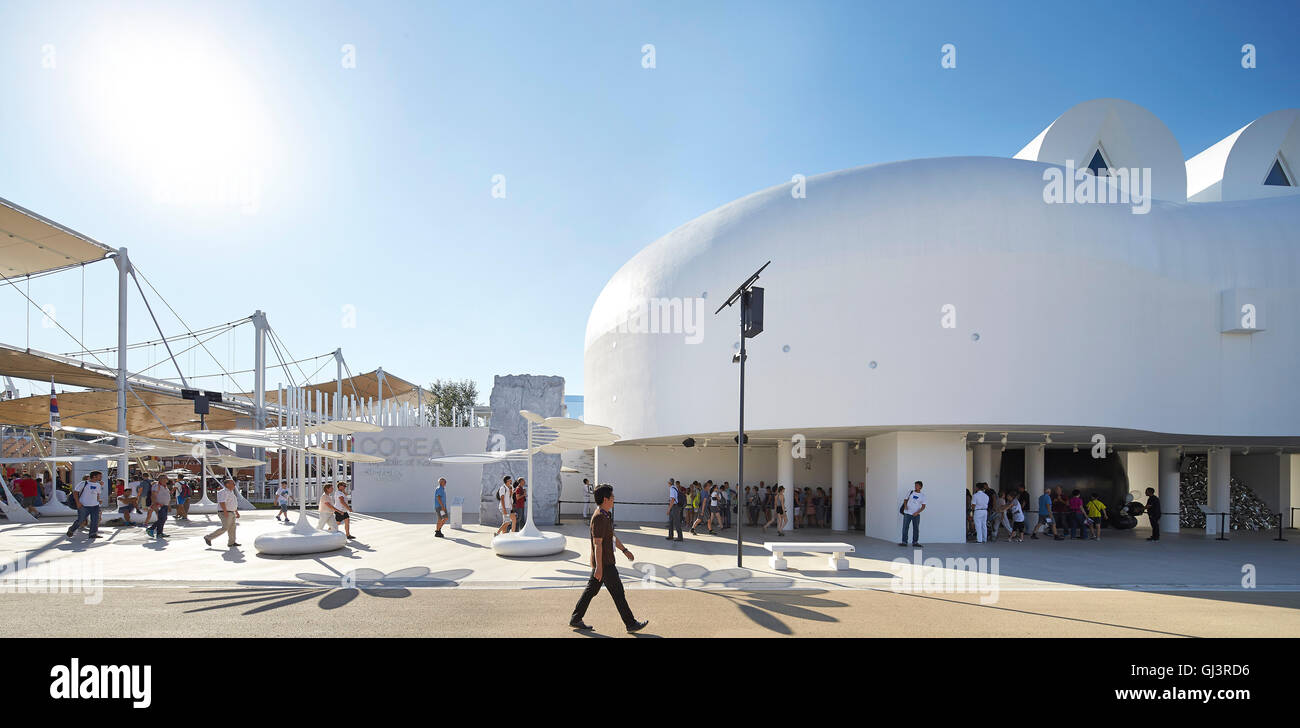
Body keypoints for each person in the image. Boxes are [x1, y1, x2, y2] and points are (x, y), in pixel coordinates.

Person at [568, 484, 648, 633]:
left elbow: (611, 536)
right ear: (605, 499)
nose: (614, 500)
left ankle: (576, 618)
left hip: (603, 563)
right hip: (605, 564)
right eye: (612, 497)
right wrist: (599, 567)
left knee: (591, 591)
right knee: (618, 593)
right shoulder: (599, 517)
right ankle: (630, 624)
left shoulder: (605, 515)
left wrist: (624, 550)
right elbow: (597, 544)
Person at [66, 470, 104, 540]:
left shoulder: (98, 485)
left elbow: (97, 494)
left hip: (95, 506)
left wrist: (98, 501)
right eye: (100, 476)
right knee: (81, 520)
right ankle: (71, 530)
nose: (101, 477)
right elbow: (75, 492)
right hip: (84, 505)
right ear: (94, 476)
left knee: (95, 520)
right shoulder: (83, 483)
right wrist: (78, 502)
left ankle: (93, 533)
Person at [203, 479, 241, 548]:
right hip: (225, 512)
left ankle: (231, 542)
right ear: (227, 484)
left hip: (231, 512)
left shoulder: (231, 492)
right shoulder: (223, 492)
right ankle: (208, 537)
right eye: (232, 483)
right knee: (225, 527)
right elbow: (222, 502)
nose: (234, 485)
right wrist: (225, 512)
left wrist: (236, 512)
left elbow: (232, 503)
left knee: (232, 528)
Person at [898, 480, 926, 547]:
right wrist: (905, 506)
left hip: (916, 515)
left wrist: (917, 512)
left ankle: (915, 542)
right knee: (905, 527)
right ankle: (904, 542)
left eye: (917, 485)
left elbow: (923, 506)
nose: (916, 486)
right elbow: (905, 500)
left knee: (916, 528)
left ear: (921, 487)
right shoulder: (911, 492)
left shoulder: (922, 496)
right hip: (907, 513)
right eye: (915, 485)